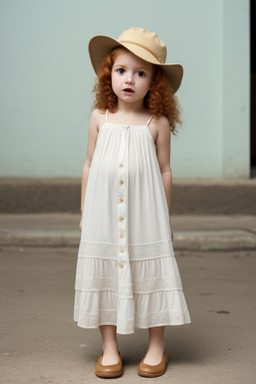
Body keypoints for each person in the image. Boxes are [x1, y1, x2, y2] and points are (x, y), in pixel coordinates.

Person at [73, 27, 191, 378]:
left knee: (151, 271)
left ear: (154, 83)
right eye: (122, 71)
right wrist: (84, 211)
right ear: (109, 75)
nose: (130, 80)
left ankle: (157, 346)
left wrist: (164, 216)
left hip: (146, 213)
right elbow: (90, 163)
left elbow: (165, 170)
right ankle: (109, 348)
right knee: (105, 271)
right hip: (103, 212)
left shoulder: (158, 123)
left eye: (141, 73)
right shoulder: (99, 118)